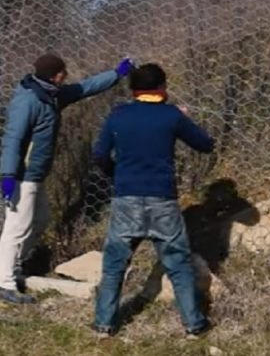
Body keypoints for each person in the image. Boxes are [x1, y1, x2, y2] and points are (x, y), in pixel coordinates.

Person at [0, 53, 134, 304]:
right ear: (54, 75)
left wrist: (117, 74)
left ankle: (13, 267)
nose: (66, 74)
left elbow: (85, 88)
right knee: (17, 227)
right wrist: (8, 174)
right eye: (63, 71)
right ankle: (3, 282)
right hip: (23, 176)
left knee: (40, 220)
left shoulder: (52, 95)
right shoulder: (28, 101)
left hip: (36, 175)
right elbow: (13, 138)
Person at [90, 63, 215, 339]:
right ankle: (194, 324)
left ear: (133, 90)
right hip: (162, 200)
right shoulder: (171, 116)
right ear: (162, 87)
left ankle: (104, 323)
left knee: (114, 265)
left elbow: (99, 155)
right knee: (178, 264)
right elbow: (205, 144)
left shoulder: (118, 116)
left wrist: (117, 175)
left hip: (126, 199)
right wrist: (182, 118)